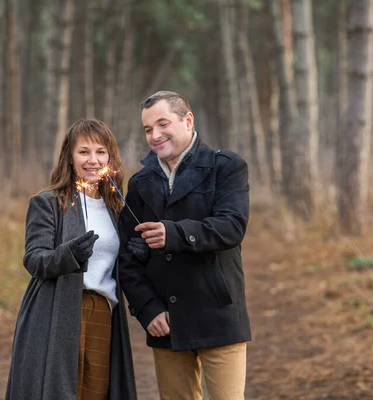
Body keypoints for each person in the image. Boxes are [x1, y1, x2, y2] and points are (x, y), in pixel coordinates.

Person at [119, 91, 251, 400]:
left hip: (219, 315)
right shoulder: (139, 182)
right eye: (148, 129)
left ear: (187, 120)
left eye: (162, 124)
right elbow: (128, 254)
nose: (155, 135)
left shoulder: (226, 166)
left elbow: (232, 226)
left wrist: (174, 233)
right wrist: (147, 308)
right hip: (167, 324)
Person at [6, 119, 137, 400]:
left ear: (110, 157)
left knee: (96, 393)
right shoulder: (49, 202)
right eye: (84, 152)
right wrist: (68, 255)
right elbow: (34, 259)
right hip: (56, 311)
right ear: (69, 156)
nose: (93, 160)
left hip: (102, 312)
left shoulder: (116, 206)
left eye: (101, 152)